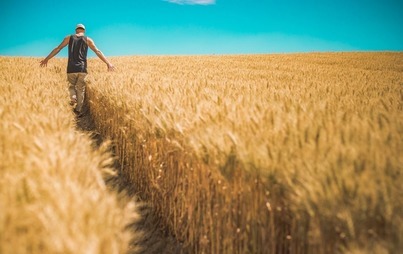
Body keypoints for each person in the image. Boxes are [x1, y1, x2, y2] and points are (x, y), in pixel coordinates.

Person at [40, 23, 114, 117]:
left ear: (76, 30)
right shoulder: (88, 39)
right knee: (81, 89)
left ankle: (73, 97)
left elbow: (58, 48)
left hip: (71, 68)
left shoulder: (68, 38)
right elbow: (97, 51)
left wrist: (47, 59)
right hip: (82, 68)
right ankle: (78, 110)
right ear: (84, 30)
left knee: (71, 86)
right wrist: (108, 63)